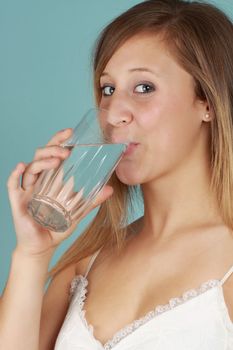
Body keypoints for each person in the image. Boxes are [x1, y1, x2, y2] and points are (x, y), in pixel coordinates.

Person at [1, 0, 233, 349]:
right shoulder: (85, 263)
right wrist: (31, 255)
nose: (112, 114)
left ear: (208, 103)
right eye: (108, 90)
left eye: (144, 88)